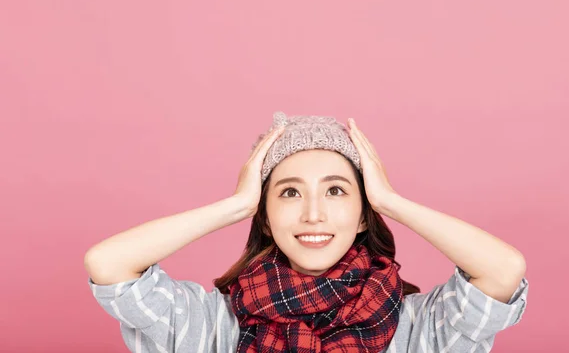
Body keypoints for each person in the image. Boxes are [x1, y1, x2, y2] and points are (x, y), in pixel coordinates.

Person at [84, 111, 529, 353]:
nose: (313, 214)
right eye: (290, 193)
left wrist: (390, 201)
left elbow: (503, 270)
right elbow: (109, 265)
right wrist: (236, 206)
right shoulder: (213, 323)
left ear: (362, 214)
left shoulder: (418, 325)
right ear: (266, 215)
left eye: (335, 191)